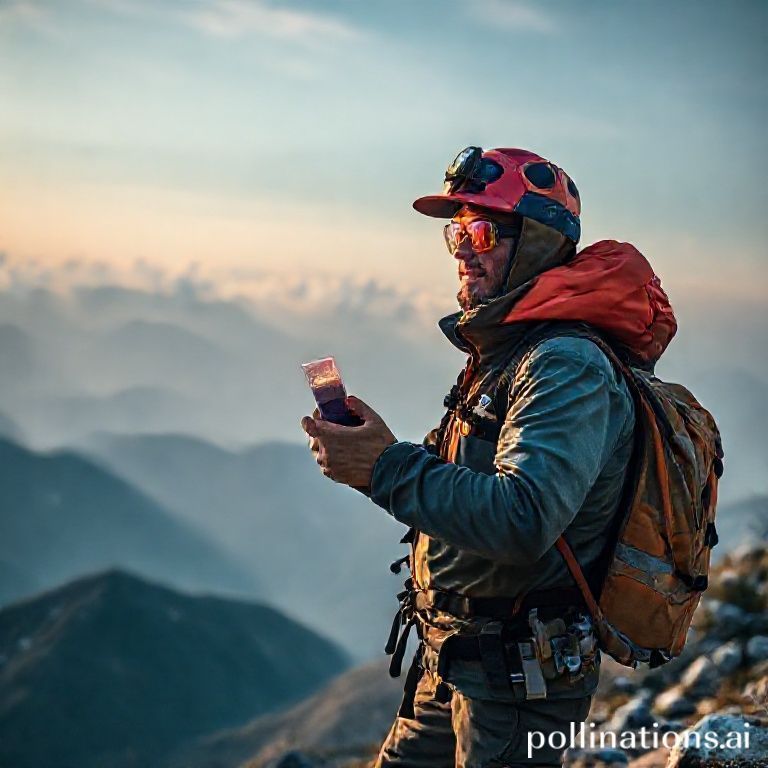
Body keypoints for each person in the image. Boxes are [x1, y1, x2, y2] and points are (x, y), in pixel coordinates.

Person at [301, 147, 677, 767]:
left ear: (536, 244)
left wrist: (385, 467)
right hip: (456, 660)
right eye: (456, 233)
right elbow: (472, 480)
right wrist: (376, 453)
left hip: (518, 684)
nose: (462, 250)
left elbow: (524, 517)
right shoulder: (508, 352)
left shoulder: (565, 364)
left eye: (481, 231)